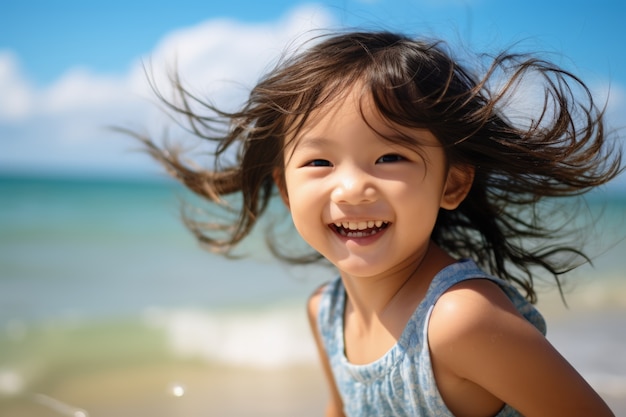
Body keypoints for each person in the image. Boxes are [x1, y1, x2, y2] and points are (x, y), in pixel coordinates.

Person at [132, 31, 622, 416]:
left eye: (389, 157)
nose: (350, 189)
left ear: (452, 184)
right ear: (285, 189)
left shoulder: (459, 320)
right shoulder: (325, 312)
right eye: (319, 163)